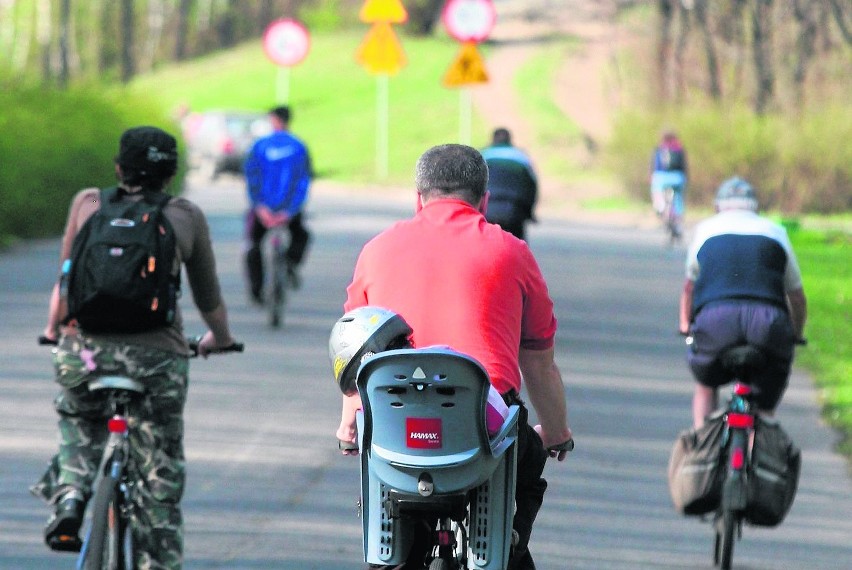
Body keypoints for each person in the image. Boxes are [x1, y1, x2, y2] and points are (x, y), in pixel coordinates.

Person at [335, 144, 573, 570]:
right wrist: (555, 432)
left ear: (418, 198)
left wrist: (349, 419)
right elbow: (539, 361)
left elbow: (356, 348)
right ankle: (511, 539)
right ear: (484, 201)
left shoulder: (376, 250)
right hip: (482, 434)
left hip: (395, 430)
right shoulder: (512, 251)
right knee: (529, 458)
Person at [32, 126, 238, 569]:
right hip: (157, 362)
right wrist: (219, 339)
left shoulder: (87, 202)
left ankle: (71, 491)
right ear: (172, 173)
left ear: (119, 168)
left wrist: (54, 329)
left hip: (83, 354)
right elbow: (208, 298)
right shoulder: (184, 214)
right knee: (158, 479)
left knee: (79, 420)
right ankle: (156, 560)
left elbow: (67, 280)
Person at [678, 177, 807, 429]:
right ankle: (762, 446)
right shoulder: (775, 231)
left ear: (718, 207)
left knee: (706, 385)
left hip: (717, 321)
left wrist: (685, 323)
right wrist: (796, 333)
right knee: (766, 397)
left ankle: (701, 445)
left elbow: (689, 287)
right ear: (755, 207)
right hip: (767, 323)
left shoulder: (706, 229)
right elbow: (797, 297)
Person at [243, 105, 312, 302]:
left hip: (263, 209)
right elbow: (303, 181)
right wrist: (290, 211)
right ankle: (290, 263)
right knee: (302, 236)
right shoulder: (299, 147)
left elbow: (251, 176)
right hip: (288, 211)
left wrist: (259, 206)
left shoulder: (260, 146)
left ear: (273, 120)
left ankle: (257, 290)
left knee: (253, 246)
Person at [480, 127, 538, 240]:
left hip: (488, 210)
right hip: (514, 210)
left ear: (493, 139)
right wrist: (529, 212)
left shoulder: (482, 155)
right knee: (517, 247)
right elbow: (532, 186)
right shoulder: (521, 157)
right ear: (510, 140)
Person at [649, 130, 689, 227]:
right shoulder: (679, 149)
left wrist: (651, 177)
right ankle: (679, 215)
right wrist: (686, 179)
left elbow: (654, 166)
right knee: (678, 196)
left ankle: (660, 207)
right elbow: (684, 166)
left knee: (656, 190)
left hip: (661, 178)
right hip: (678, 178)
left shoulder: (659, 149)